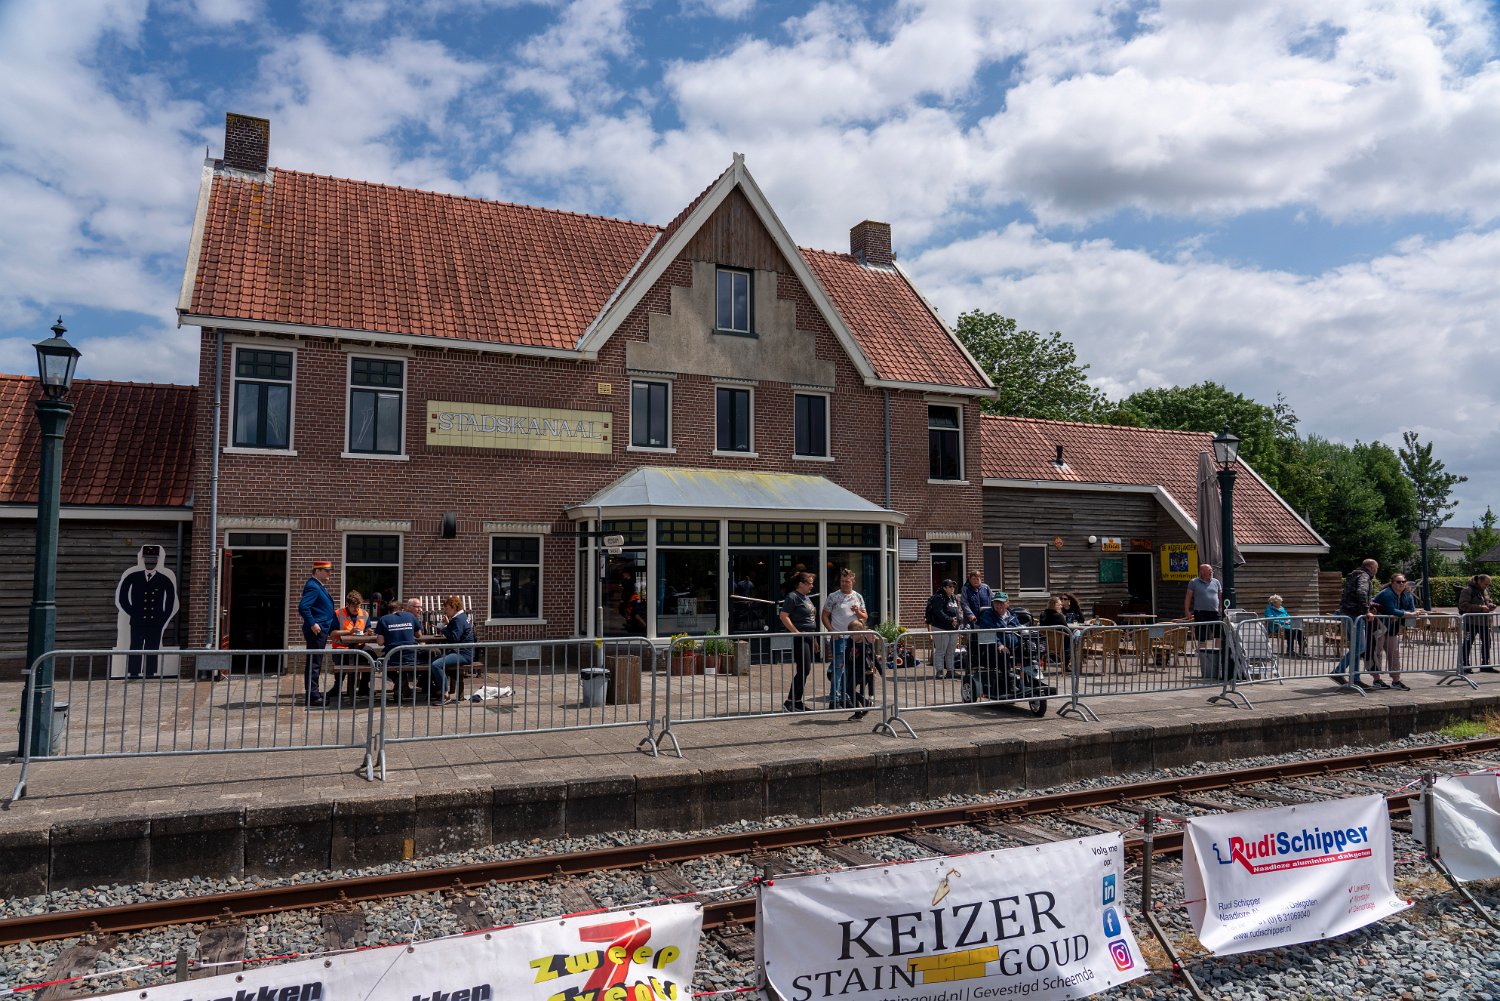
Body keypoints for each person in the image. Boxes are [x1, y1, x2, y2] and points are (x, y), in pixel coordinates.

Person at [115, 544, 180, 680]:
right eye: (148, 560)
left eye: (154, 560)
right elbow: (122, 597)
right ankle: (134, 673)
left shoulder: (164, 579)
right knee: (135, 647)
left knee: (152, 648)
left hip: (155, 621)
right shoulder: (133, 577)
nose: (151, 563)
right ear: (143, 560)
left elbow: (170, 602)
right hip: (137, 621)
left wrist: (162, 618)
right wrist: (133, 612)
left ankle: (150, 673)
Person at [821, 568, 866, 709]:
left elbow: (865, 617)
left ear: (853, 581)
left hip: (853, 639)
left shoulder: (858, 596)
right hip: (839, 638)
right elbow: (824, 615)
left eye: (847, 581)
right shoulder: (833, 596)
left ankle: (845, 697)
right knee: (839, 668)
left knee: (848, 669)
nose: (844, 584)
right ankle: (834, 700)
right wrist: (831, 630)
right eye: (842, 581)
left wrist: (858, 612)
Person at [1333, 558, 1379, 689]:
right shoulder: (1364, 576)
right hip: (1355, 615)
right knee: (1360, 647)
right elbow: (1361, 592)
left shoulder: (1353, 576)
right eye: (1376, 568)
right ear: (1371, 568)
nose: (1376, 571)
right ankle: (1338, 671)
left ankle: (1355, 678)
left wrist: (1369, 606)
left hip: (1347, 613)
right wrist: (1366, 611)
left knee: (1355, 648)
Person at [296, 560, 338, 707]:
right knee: (314, 663)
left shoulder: (318, 585)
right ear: (317, 571)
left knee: (315, 663)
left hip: (320, 629)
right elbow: (303, 607)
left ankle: (313, 693)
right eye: (326, 571)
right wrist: (312, 623)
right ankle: (313, 696)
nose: (329, 573)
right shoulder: (313, 586)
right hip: (316, 631)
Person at [1369, 574, 1417, 691]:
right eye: (1398, 581)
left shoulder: (1407, 594)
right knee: (1377, 653)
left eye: (1403, 581)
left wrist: (1401, 613)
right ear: (1392, 582)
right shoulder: (1387, 593)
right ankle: (1376, 679)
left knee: (1394, 654)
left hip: (1393, 628)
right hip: (1379, 626)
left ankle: (1396, 681)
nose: (1401, 584)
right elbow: (1391, 610)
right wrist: (1404, 613)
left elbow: (1412, 610)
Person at [780, 571, 819, 712]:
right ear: (801, 584)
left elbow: (811, 620)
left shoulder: (806, 598)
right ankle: (790, 701)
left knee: (805, 670)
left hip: (808, 636)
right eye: (809, 583)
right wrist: (796, 632)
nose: (812, 586)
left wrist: (814, 639)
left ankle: (796, 701)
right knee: (804, 669)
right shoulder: (793, 597)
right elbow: (783, 616)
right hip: (800, 637)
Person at [374, 595, 424, 702]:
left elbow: (380, 642)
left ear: (389, 611)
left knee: (383, 664)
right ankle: (402, 684)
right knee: (406, 663)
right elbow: (419, 635)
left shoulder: (383, 619)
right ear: (402, 609)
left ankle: (398, 681)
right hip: (411, 656)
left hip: (393, 657)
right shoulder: (410, 616)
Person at [427, 595, 475, 704]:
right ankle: (438, 689)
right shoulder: (461, 617)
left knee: (436, 664)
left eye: (447, 608)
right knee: (431, 661)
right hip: (461, 652)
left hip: (463, 654)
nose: (445, 611)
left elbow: (454, 638)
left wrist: (443, 628)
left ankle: (445, 695)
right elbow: (457, 632)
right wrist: (448, 624)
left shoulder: (458, 619)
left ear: (454, 608)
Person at [330, 589, 371, 702]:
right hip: (341, 647)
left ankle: (363, 686)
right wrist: (349, 632)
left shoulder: (364, 614)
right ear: (347, 605)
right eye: (353, 607)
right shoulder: (338, 613)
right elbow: (332, 633)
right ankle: (337, 687)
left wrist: (368, 632)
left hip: (359, 647)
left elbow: (367, 629)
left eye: (358, 606)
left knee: (371, 656)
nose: (356, 609)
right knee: (342, 664)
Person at [1184, 563, 1224, 675]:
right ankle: (1203, 659)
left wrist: (1221, 607)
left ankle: (1218, 657)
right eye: (1209, 570)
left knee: (1218, 634)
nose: (1211, 572)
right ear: (1202, 571)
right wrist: (1187, 610)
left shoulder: (1216, 582)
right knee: (1202, 635)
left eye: (1211, 570)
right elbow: (1188, 597)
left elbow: (1220, 595)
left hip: (1214, 612)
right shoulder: (1194, 582)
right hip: (1200, 612)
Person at [925, 579, 964, 679]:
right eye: (950, 586)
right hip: (940, 627)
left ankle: (950, 671)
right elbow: (939, 612)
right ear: (944, 588)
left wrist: (959, 620)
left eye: (953, 586)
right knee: (941, 650)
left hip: (953, 628)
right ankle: (940, 671)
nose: (952, 588)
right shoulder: (939, 597)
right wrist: (950, 620)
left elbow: (956, 611)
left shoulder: (954, 598)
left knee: (951, 651)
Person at [1458, 574, 1496, 673]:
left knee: (1487, 642)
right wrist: (1480, 608)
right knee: (1468, 643)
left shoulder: (1485, 590)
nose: (1486, 586)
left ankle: (1485, 664)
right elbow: (1463, 605)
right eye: (1485, 584)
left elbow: (1487, 601)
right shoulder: (1467, 590)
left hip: (1484, 622)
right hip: (1471, 622)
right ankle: (1465, 665)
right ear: (1479, 581)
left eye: (1488, 584)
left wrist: (1490, 605)